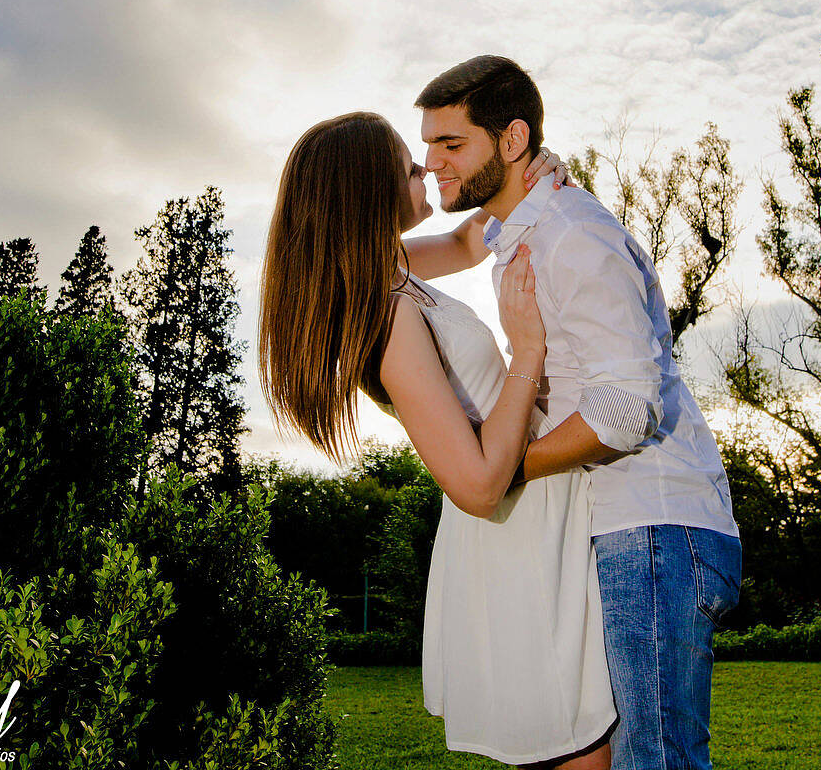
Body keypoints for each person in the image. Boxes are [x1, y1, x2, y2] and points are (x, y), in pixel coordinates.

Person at [257, 111, 616, 769]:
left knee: (593, 746)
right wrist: (528, 347)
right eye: (408, 166)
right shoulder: (386, 318)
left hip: (540, 521)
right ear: (368, 190)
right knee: (583, 752)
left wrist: (530, 178)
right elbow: (477, 482)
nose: (425, 170)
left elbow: (469, 241)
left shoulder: (392, 272)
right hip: (517, 541)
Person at [416, 56, 742, 770]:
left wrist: (499, 468)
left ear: (510, 140)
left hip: (655, 523)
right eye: (427, 146)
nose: (432, 163)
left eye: (450, 145)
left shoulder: (571, 235)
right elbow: (433, 251)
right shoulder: (518, 232)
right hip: (617, 526)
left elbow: (626, 408)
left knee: (655, 760)